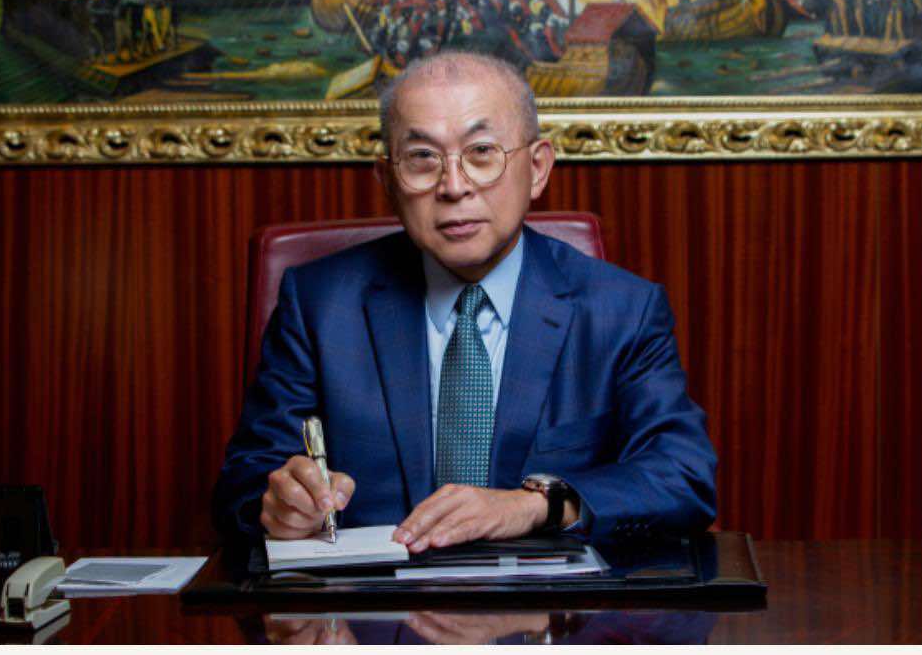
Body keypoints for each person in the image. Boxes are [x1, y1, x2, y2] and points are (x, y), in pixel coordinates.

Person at [213, 51, 716, 551]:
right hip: (371, 600)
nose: (454, 187)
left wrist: (533, 505)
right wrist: (278, 504)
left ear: (537, 168)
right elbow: (246, 483)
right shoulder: (319, 305)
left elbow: (682, 476)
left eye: (481, 153)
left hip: (546, 600)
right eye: (422, 158)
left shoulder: (622, 310)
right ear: (388, 180)